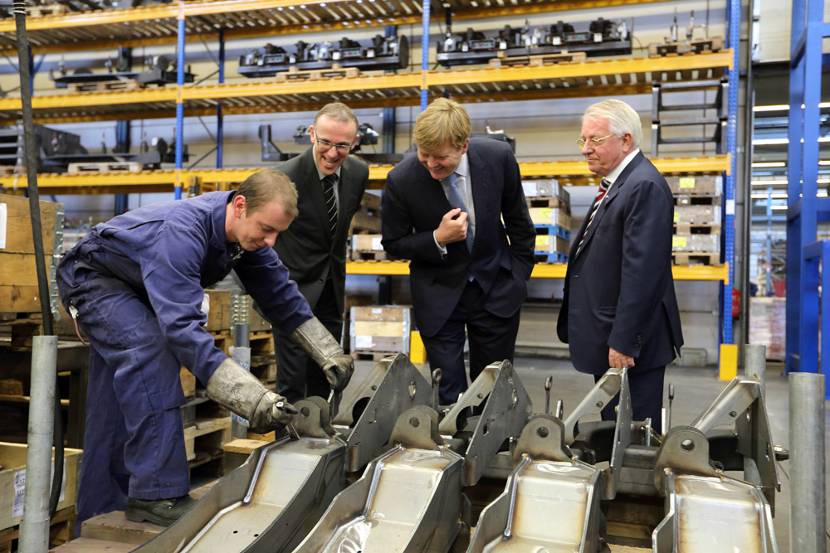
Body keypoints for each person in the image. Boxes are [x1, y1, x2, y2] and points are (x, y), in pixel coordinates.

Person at [57, 169, 354, 527]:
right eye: (266, 229)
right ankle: (156, 494)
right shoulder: (183, 233)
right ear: (240, 206)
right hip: (95, 281)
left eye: (278, 233)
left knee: (118, 397)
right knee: (149, 353)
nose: (271, 241)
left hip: (136, 288)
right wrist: (251, 399)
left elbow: (280, 295)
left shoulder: (243, 237)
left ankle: (100, 509)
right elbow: (182, 329)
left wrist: (328, 353)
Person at [381, 98, 535, 404]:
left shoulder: (498, 157)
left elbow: (520, 225)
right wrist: (437, 238)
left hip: (495, 291)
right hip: (439, 298)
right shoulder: (402, 179)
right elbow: (393, 244)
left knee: (494, 391)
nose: (431, 166)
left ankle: (491, 448)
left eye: (441, 159)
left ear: (463, 146)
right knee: (449, 394)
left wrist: (517, 280)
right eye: (424, 157)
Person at [556, 99, 683, 433]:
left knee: (632, 439)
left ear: (626, 140)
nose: (585, 149)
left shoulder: (643, 186)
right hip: (611, 336)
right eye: (582, 140)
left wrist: (625, 341)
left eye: (595, 140)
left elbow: (643, 273)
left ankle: (631, 486)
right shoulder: (620, 184)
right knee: (614, 432)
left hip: (630, 345)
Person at [271, 103, 369, 402]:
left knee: (325, 373)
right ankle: (285, 442)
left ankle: (317, 439)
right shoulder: (283, 178)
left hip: (331, 291)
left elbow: (336, 233)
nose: (332, 153)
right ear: (312, 134)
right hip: (292, 292)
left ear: (354, 143)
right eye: (325, 142)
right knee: (291, 381)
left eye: (342, 145)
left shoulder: (358, 173)